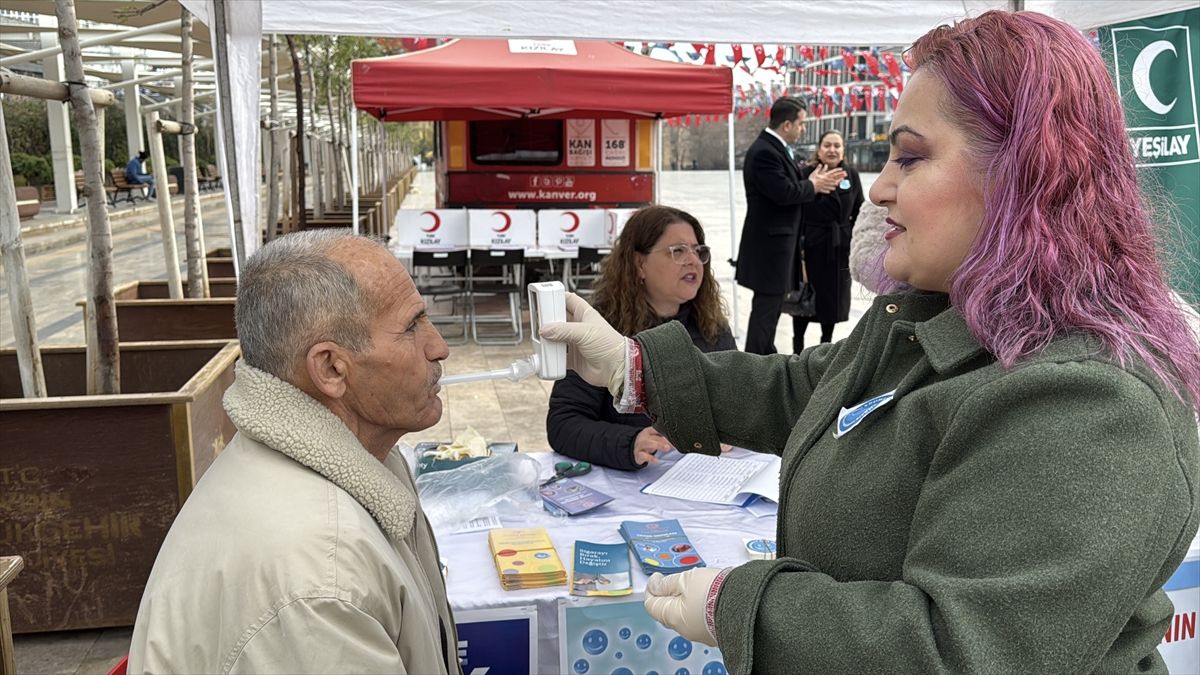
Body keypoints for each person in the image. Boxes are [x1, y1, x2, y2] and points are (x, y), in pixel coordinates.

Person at [542, 10, 1200, 674]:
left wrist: (742, 607)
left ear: (1025, 174)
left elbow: (956, 651)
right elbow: (807, 387)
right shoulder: (939, 319)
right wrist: (632, 365)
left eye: (910, 157)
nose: (880, 188)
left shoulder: (1092, 403)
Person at [128, 231, 462, 674]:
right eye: (412, 326)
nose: (439, 347)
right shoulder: (320, 581)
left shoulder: (361, 458)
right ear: (330, 368)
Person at [546, 205, 736, 470]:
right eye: (678, 251)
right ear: (639, 264)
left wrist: (731, 428)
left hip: (705, 479)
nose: (693, 260)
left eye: (697, 250)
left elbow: (736, 401)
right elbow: (563, 424)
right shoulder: (600, 328)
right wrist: (629, 443)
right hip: (631, 486)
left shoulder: (712, 325)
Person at [736, 96, 846, 355]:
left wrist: (810, 181)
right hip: (770, 247)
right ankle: (755, 361)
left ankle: (763, 356)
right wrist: (813, 185)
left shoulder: (775, 148)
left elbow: (790, 186)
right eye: (802, 123)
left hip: (778, 246)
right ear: (787, 125)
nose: (803, 129)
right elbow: (783, 192)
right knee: (766, 309)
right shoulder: (765, 151)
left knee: (771, 309)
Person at [794, 130, 864, 351]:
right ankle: (798, 345)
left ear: (843, 150)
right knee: (806, 298)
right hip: (811, 246)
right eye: (827, 145)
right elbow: (795, 210)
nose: (832, 150)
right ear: (819, 149)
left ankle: (826, 344)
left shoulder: (850, 174)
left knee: (832, 301)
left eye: (837, 145)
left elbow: (859, 209)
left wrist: (852, 238)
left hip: (839, 248)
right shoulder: (806, 174)